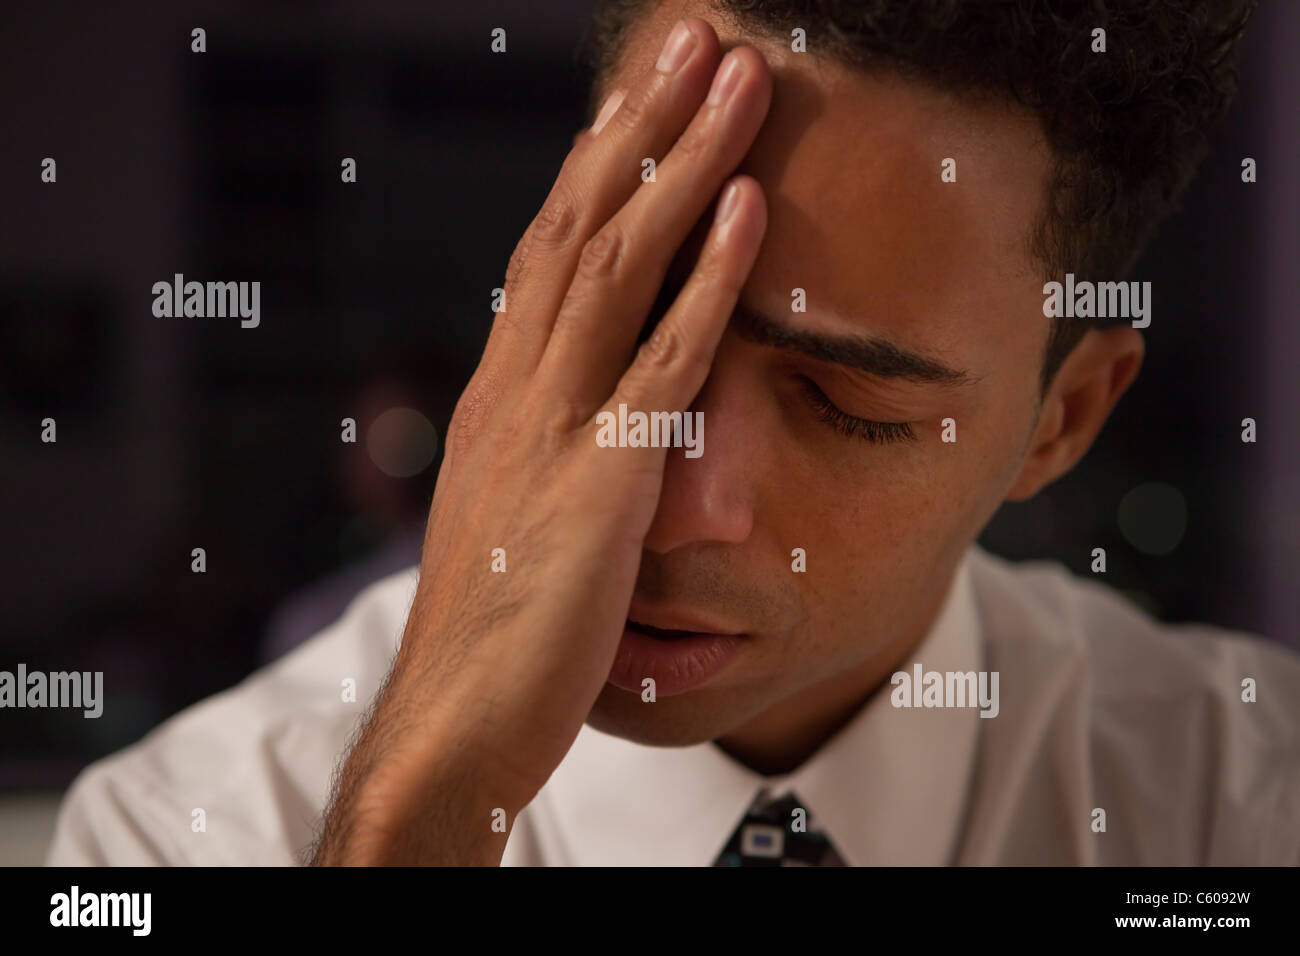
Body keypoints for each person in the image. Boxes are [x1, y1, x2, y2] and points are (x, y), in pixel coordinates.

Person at [49, 0, 1299, 866]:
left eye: (848, 406)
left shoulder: (1245, 804)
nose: (673, 498)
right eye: (643, 317)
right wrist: (416, 823)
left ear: (1060, 420)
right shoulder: (181, 833)